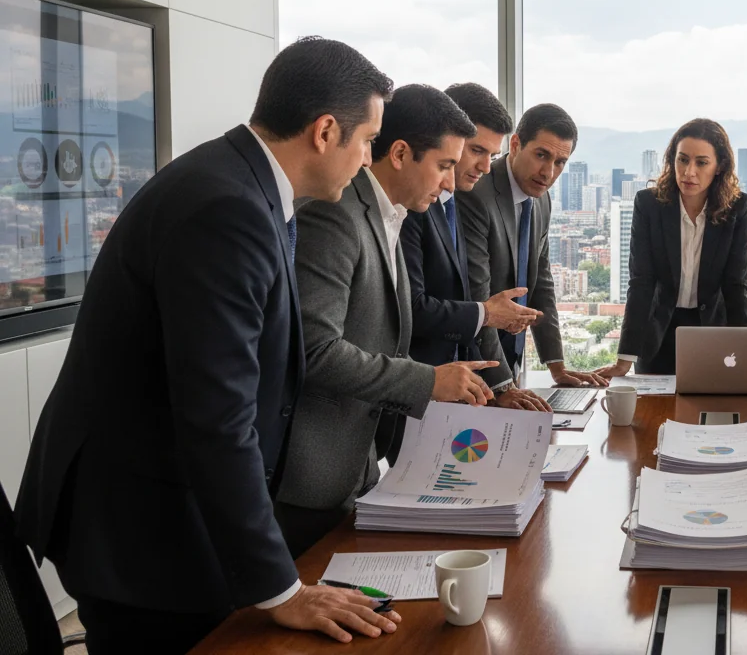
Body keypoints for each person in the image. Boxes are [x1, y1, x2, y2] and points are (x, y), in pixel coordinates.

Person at [15, 37, 404, 653]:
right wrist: (282, 590)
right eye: (368, 140)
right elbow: (217, 416)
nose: (368, 159)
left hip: (164, 511)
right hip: (139, 529)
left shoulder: (243, 184)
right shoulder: (228, 207)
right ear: (326, 131)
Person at [274, 84, 525, 558]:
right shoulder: (334, 215)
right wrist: (427, 380)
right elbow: (314, 350)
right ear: (401, 154)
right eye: (445, 166)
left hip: (361, 464)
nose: (450, 184)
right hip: (313, 473)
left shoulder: (392, 215)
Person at [401, 82, 547, 411]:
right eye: (477, 151)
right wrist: (487, 314)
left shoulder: (453, 202)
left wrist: (495, 384)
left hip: (457, 392)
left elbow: (462, 298)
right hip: (417, 389)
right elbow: (412, 308)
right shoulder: (415, 204)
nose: (485, 166)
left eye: (492, 156)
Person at [457, 103, 607, 388]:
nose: (548, 172)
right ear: (515, 145)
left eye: (560, 162)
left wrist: (557, 367)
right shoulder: (477, 193)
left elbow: (541, 283)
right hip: (475, 366)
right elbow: (479, 297)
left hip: (510, 362)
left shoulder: (541, 199)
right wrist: (502, 384)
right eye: (541, 155)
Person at [596, 118, 747, 376]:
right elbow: (641, 283)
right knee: (653, 402)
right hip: (657, 334)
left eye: (701, 162)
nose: (689, 172)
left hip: (713, 333)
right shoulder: (649, 204)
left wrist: (745, 355)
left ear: (720, 166)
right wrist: (625, 359)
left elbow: (735, 286)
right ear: (672, 160)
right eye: (683, 160)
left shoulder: (737, 207)